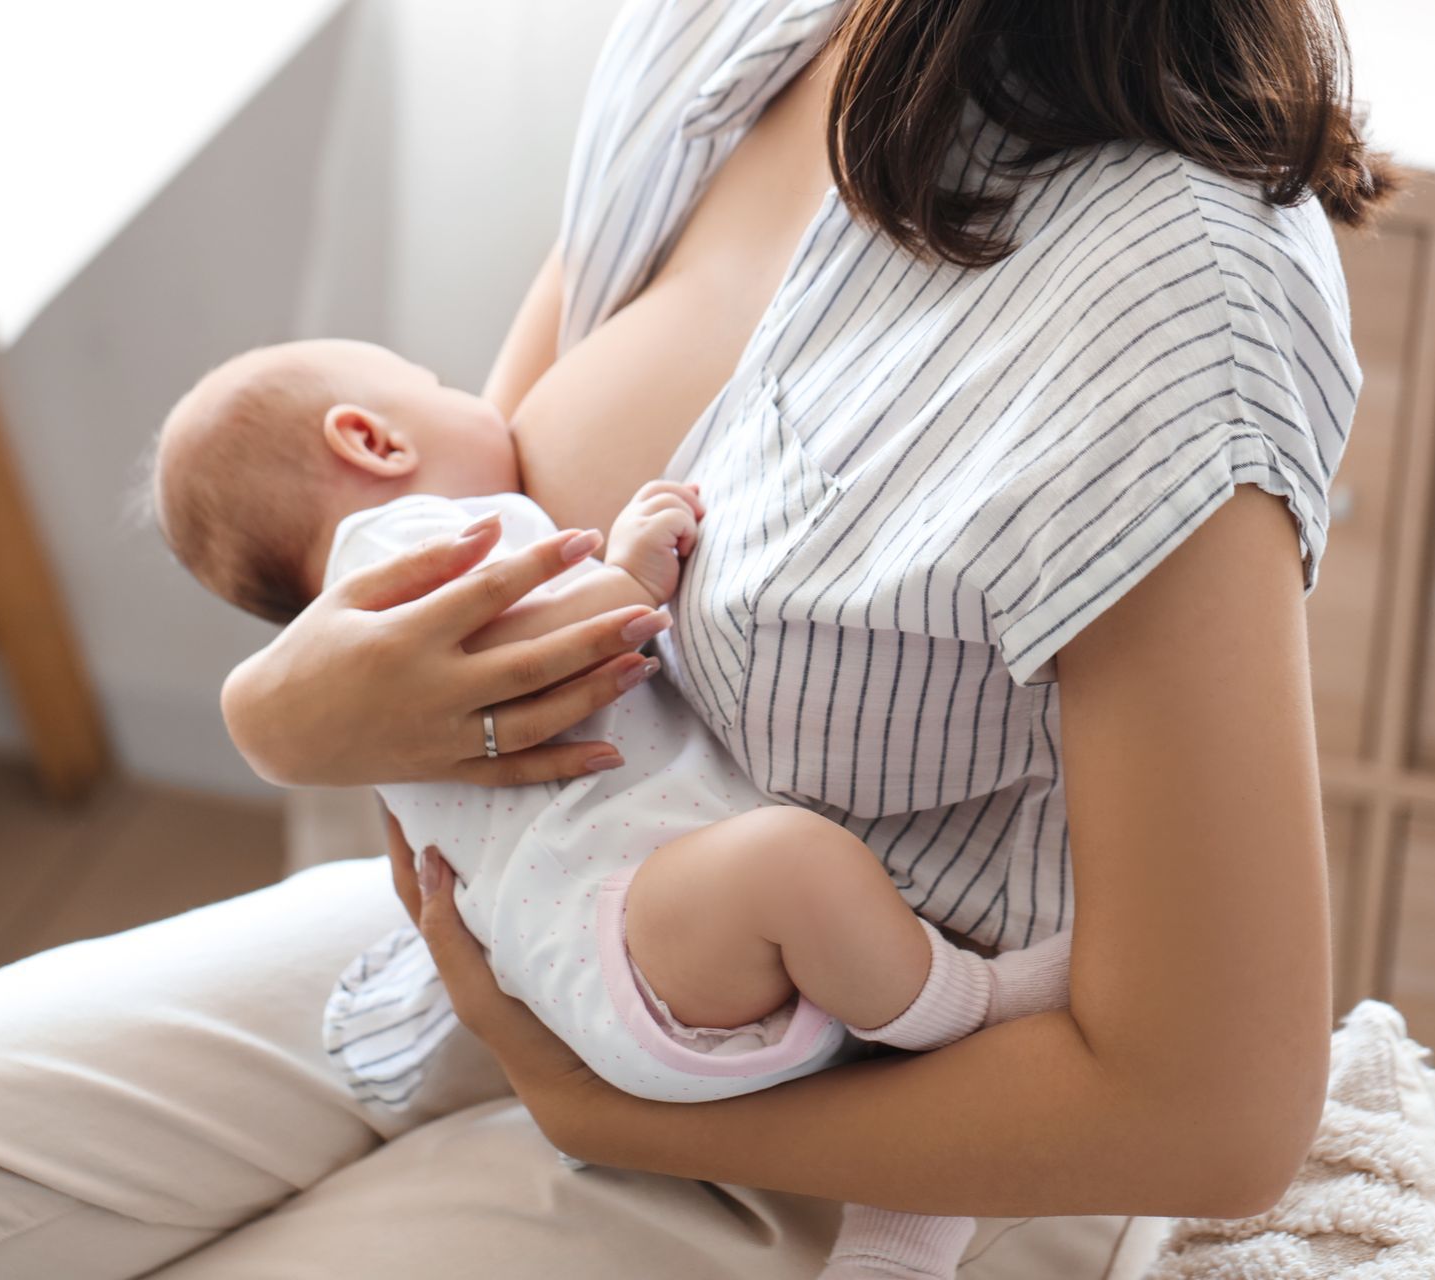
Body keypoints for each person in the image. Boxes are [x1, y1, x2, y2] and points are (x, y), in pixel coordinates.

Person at [0, 1, 1392, 1276]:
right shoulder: (747, 33)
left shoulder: (1174, 292)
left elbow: (1218, 1110)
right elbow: (468, 526)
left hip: (879, 1109)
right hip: (528, 936)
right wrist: (285, 715)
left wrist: (613, 1117)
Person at [150, 338, 1076, 1277]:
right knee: (796, 867)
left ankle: (896, 1248)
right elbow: (520, 649)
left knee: (845, 980)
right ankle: (979, 1007)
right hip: (630, 935)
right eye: (437, 384)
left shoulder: (367, 641)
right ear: (371, 439)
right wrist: (629, 575)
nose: (482, 399)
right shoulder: (400, 548)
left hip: (617, 974)